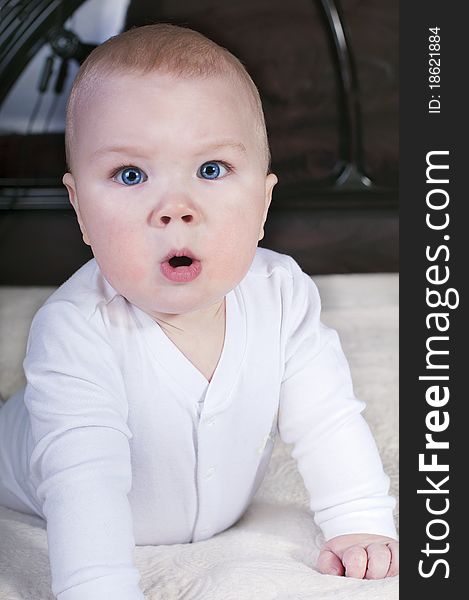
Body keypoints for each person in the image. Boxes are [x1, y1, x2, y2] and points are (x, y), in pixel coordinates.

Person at [0, 23, 398, 600]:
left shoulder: (281, 294)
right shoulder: (74, 330)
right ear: (80, 209)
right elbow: (82, 483)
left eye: (211, 170)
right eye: (130, 175)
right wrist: (97, 586)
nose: (175, 210)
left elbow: (327, 416)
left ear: (263, 203)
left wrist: (360, 519)